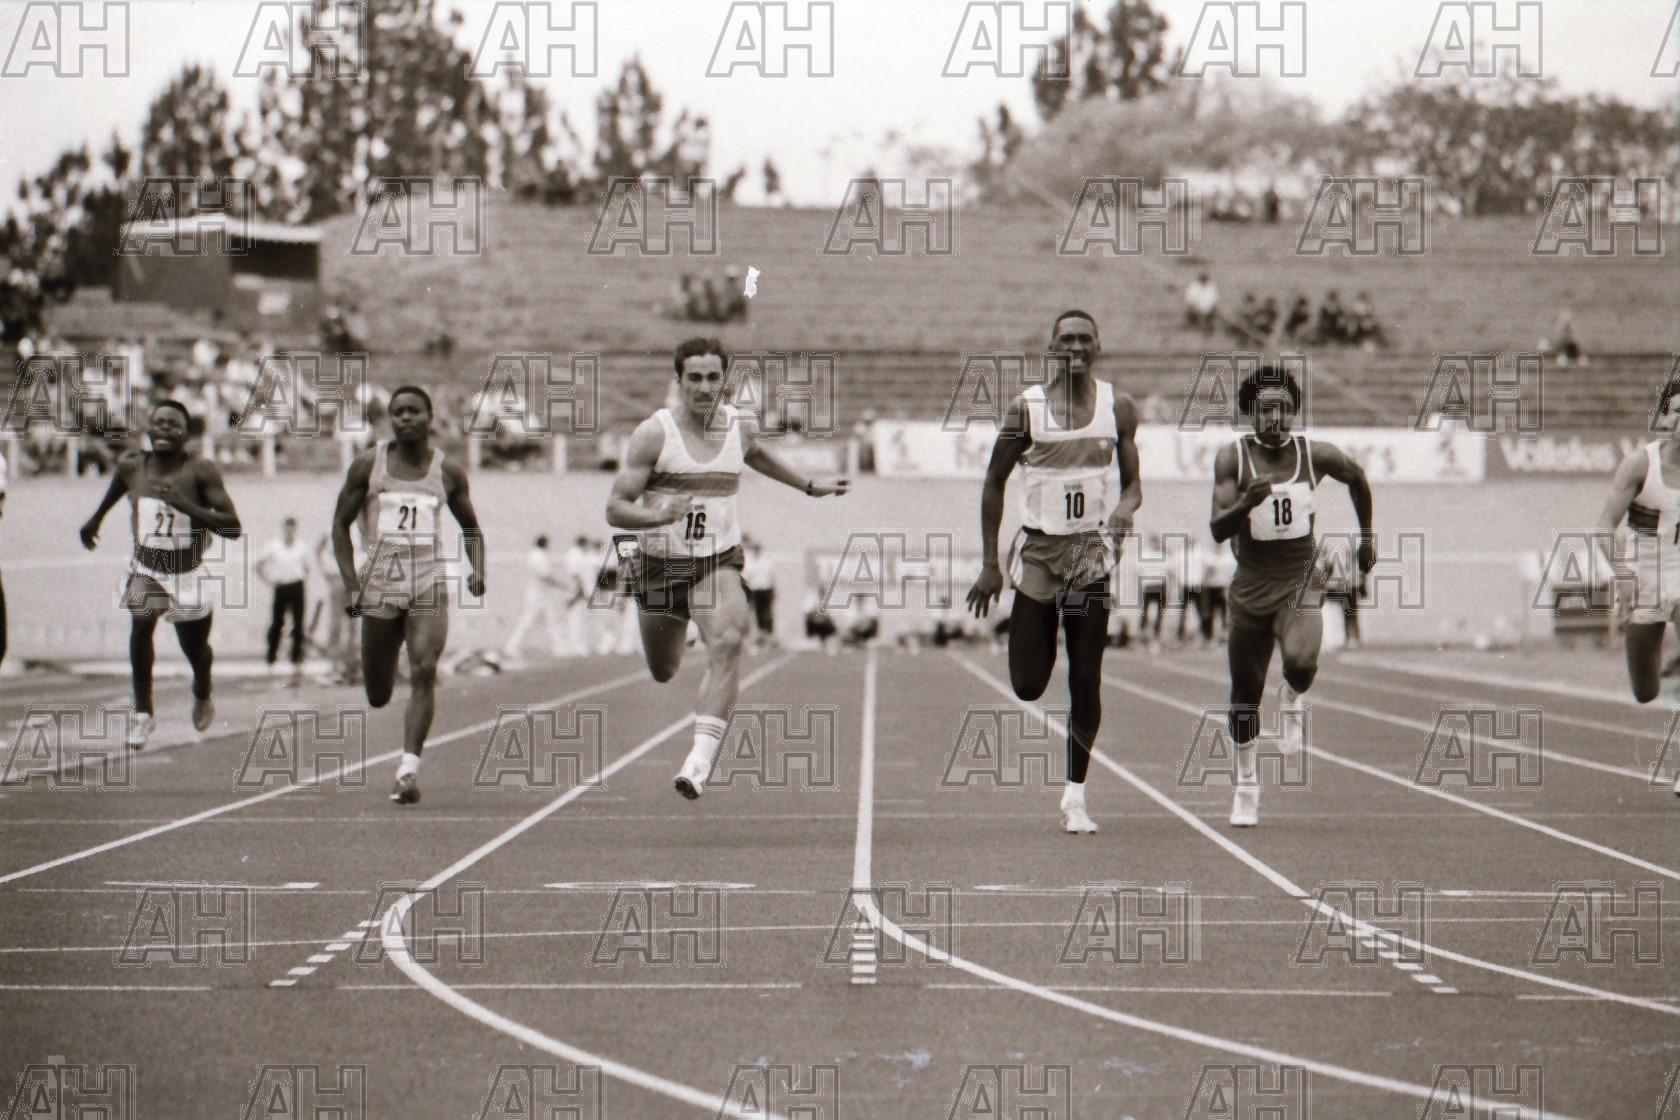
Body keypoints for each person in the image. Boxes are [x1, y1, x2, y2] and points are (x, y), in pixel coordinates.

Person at [605, 337, 849, 800]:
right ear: (678, 381)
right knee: (663, 669)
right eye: (694, 378)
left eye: (713, 377)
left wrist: (807, 485)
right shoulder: (654, 434)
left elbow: (757, 453)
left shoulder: (739, 427)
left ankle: (698, 762)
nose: (704, 387)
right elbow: (615, 509)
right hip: (659, 567)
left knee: (730, 641)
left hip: (716, 561)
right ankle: (687, 628)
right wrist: (657, 515)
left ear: (725, 381)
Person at [966, 310, 1143, 834]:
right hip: (1039, 556)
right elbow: (993, 481)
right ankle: (1034, 640)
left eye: (1085, 339)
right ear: (1051, 347)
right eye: (1066, 339)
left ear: (1098, 345)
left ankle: (1075, 796)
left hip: (1090, 555)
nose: (1076, 347)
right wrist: (989, 563)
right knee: (1027, 684)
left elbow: (1134, 485)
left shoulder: (1119, 407)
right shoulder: (1026, 410)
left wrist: (1124, 509)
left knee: (1086, 676)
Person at [1210, 366, 1373, 828]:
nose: (1276, 418)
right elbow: (1218, 528)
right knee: (1244, 696)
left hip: (1300, 578)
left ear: (1294, 411)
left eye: (1284, 408)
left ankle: (1292, 693)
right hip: (1251, 584)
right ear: (1251, 412)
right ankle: (1246, 785)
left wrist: (1367, 537)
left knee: (1301, 663)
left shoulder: (1313, 454)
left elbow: (1358, 478)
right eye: (1266, 409)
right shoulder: (1232, 459)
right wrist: (1246, 503)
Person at [331, 385, 486, 806]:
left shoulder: (447, 472)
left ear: (429, 417)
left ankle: (407, 770)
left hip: (427, 580)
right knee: (378, 693)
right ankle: (385, 682)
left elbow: (471, 529)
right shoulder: (368, 465)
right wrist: (351, 583)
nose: (405, 418)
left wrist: (478, 569)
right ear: (389, 418)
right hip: (380, 582)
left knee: (424, 668)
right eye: (397, 412)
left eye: (413, 411)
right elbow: (339, 526)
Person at [79, 400, 243, 749]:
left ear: (187, 434)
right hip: (147, 568)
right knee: (141, 622)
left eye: (173, 424)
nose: (165, 428)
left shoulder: (201, 471)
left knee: (195, 650)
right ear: (149, 429)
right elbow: (115, 491)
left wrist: (187, 506)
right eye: (159, 422)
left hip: (188, 574)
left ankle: (202, 689)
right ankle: (143, 713)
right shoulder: (132, 465)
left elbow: (233, 527)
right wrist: (95, 520)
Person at [1594, 378, 1680, 772]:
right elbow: (1602, 528)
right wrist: (1623, 576)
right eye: (1676, 413)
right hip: (1644, 578)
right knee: (1646, 691)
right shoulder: (1640, 465)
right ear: (1664, 418)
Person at [257, 516, 312, 681]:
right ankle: (271, 658)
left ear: (295, 529)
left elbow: (307, 567)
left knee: (298, 623)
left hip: (296, 586)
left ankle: (296, 659)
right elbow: (259, 564)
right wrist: (269, 579)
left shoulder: (302, 546)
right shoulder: (274, 546)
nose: (289, 531)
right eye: (287, 528)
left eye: (292, 528)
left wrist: (300, 578)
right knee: (277, 623)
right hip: (281, 587)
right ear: (284, 529)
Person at [503, 534, 569, 662]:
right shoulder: (540, 556)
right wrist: (561, 585)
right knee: (540, 620)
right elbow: (545, 576)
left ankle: (512, 647)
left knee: (541, 620)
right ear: (545, 544)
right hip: (539, 594)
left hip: (536, 593)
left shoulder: (532, 555)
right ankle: (512, 647)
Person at [741, 538, 777, 650]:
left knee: (766, 614)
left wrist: (774, 591)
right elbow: (745, 576)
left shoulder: (766, 559)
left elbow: (772, 576)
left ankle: (767, 637)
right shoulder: (748, 560)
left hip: (766, 588)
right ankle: (756, 638)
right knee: (754, 614)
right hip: (754, 589)